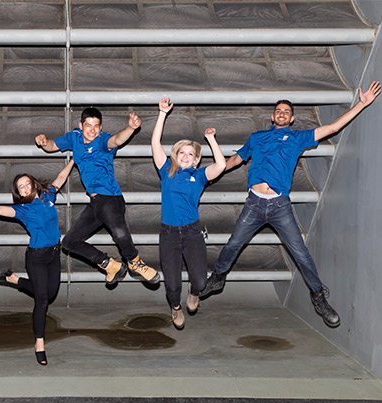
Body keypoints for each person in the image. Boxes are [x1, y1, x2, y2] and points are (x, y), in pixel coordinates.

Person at [200, 81, 381, 328]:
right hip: (254, 204)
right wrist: (208, 174)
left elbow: (332, 127)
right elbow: (235, 160)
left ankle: (318, 297)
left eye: (286, 111)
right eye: (278, 111)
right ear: (273, 117)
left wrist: (361, 103)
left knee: (301, 254)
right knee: (233, 244)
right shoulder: (257, 137)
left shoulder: (298, 138)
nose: (282, 113)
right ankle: (218, 277)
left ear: (292, 118)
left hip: (279, 206)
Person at [0, 160, 75, 366]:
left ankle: (12, 279)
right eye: (20, 187)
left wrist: (73, 160)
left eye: (26, 184)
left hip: (54, 253)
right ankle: (39, 343)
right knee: (42, 300)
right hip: (37, 257)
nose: (24, 188)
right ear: (19, 193)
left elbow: (60, 178)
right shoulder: (23, 209)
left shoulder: (48, 195)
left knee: (51, 293)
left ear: (33, 184)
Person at [35, 108, 160, 285]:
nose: (92, 130)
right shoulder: (74, 138)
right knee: (69, 242)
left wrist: (130, 128)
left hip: (110, 198)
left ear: (101, 128)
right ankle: (110, 265)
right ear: (81, 125)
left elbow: (116, 140)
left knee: (119, 231)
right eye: (88, 125)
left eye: (96, 126)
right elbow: (52, 145)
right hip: (95, 203)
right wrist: (43, 141)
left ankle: (134, 261)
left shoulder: (102, 140)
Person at [151, 98, 226, 329]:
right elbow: (155, 143)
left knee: (201, 281)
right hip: (169, 234)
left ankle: (194, 293)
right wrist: (162, 113)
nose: (185, 156)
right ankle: (175, 308)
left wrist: (211, 140)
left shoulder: (201, 175)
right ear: (175, 155)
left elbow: (221, 165)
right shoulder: (166, 171)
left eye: (190, 154)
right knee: (172, 285)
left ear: (196, 159)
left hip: (193, 232)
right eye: (181, 153)